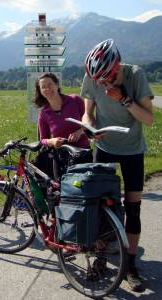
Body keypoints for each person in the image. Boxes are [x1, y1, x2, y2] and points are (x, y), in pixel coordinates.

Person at [81, 39, 154, 292]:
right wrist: (89, 127)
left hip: (133, 150)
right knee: (100, 207)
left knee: (133, 210)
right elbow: (87, 112)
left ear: (117, 64)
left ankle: (131, 266)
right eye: (98, 78)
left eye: (108, 76)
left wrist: (124, 98)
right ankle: (101, 259)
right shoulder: (92, 77)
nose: (103, 82)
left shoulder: (135, 75)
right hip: (104, 149)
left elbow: (149, 119)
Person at [34, 73, 91, 178]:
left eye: (50, 85)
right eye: (43, 87)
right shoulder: (44, 113)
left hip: (82, 153)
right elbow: (43, 139)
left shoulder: (74, 100)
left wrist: (79, 132)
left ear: (57, 85)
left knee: (84, 188)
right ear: (40, 91)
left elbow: (90, 121)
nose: (47, 89)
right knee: (62, 189)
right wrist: (52, 141)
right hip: (60, 157)